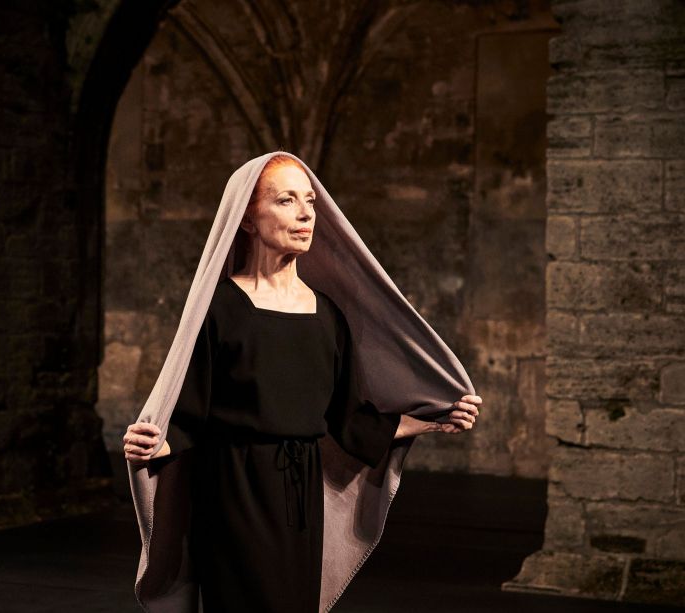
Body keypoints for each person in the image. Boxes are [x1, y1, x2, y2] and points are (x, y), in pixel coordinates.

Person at [124, 153, 482, 613]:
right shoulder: (219, 309)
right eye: (286, 200)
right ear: (247, 218)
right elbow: (189, 415)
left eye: (310, 201)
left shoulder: (327, 315)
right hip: (234, 494)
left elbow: (350, 421)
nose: (306, 214)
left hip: (301, 498)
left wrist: (434, 420)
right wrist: (151, 444)